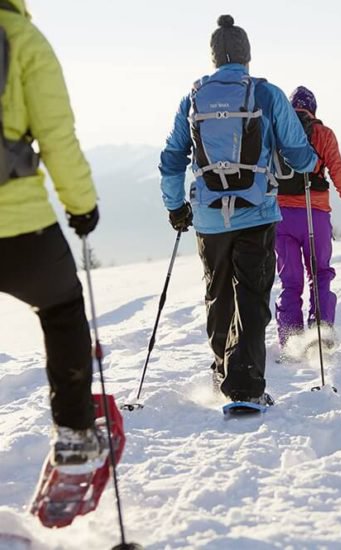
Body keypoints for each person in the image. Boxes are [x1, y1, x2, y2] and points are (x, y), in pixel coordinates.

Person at [159, 15, 317, 405]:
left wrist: (175, 206)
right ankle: (245, 389)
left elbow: (172, 157)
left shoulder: (194, 97)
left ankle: (220, 376)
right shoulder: (266, 94)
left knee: (217, 294)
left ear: (214, 57)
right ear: (248, 55)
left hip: (210, 217)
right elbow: (298, 153)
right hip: (258, 212)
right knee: (251, 296)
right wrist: (311, 162)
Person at [0, 0, 102, 465]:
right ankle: (76, 434)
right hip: (18, 225)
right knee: (62, 310)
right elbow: (57, 136)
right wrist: (80, 206)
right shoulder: (22, 38)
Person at [275, 85, 341, 354]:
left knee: (290, 280)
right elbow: (337, 170)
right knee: (320, 273)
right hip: (315, 214)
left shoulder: (278, 132)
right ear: (313, 109)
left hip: (280, 216)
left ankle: (290, 341)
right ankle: (320, 334)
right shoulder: (323, 134)